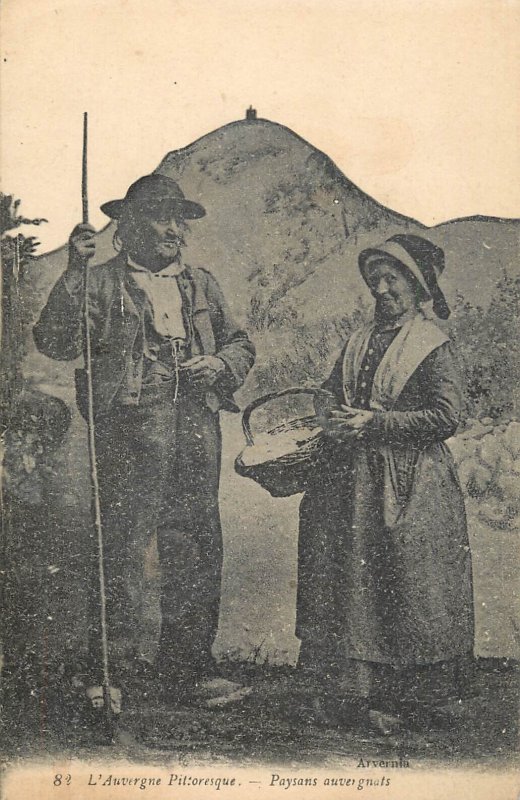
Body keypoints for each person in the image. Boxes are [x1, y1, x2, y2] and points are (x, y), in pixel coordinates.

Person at [33, 174, 255, 712]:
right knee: (123, 548)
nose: (175, 229)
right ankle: (111, 669)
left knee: (196, 545)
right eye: (162, 217)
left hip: (196, 428)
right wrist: (73, 273)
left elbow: (241, 342)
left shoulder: (201, 284)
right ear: (128, 226)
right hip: (127, 431)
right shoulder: (99, 282)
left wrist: (221, 364)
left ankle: (190, 669)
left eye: (180, 219)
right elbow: (55, 342)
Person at [296, 234, 474, 733]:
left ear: (417, 286)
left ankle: (406, 700)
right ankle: (349, 694)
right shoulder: (359, 338)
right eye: (375, 278)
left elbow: (446, 416)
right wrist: (331, 415)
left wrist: (375, 424)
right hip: (350, 478)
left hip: (410, 483)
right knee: (347, 582)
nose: (381, 288)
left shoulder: (432, 344)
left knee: (403, 585)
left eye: (391, 278)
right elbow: (330, 390)